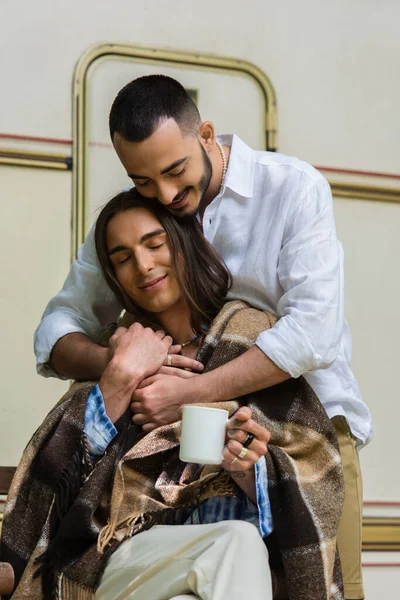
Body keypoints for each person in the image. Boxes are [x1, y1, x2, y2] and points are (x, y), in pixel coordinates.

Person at [34, 75, 371, 599]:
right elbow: (56, 330)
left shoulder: (292, 189)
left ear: (207, 134)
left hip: (304, 438)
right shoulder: (146, 223)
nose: (166, 195)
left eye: (175, 171)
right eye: (144, 181)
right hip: (178, 462)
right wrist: (126, 365)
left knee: (323, 584)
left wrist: (186, 392)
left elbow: (312, 335)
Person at [2, 191, 344, 599]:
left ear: (182, 244)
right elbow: (58, 487)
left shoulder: (252, 341)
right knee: (233, 543)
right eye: (122, 257)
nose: (143, 266)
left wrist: (245, 468)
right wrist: (120, 377)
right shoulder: (118, 353)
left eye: (153, 243)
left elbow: (311, 483)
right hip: (111, 566)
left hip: (227, 577)